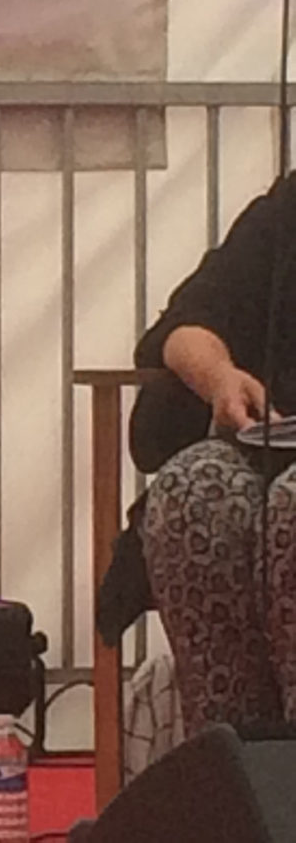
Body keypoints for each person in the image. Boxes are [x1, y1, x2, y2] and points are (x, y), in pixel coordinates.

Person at [137, 171, 296, 735]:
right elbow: (186, 326)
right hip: (274, 442)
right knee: (194, 493)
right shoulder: (289, 208)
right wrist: (221, 377)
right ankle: (236, 762)